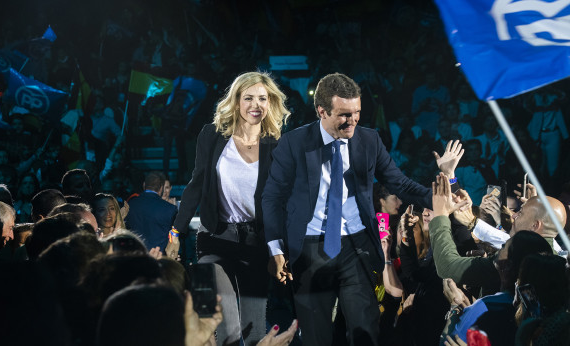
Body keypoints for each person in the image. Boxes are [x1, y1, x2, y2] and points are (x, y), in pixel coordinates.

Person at [262, 73, 459, 345]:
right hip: (309, 248)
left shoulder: (369, 140)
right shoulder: (294, 143)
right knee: (317, 338)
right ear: (322, 111)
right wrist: (275, 248)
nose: (353, 120)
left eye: (357, 112)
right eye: (344, 114)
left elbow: (399, 183)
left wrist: (441, 197)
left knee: (364, 333)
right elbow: (271, 197)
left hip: (357, 247)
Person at [168, 71, 290, 345]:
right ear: (236, 102)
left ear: (270, 103)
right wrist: (176, 231)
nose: (255, 105)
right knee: (225, 323)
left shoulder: (278, 146)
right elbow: (195, 186)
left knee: (254, 330)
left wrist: (278, 251)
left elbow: (279, 204)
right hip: (215, 239)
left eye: (262, 98)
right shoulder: (212, 135)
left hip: (255, 244)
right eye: (248, 98)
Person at [124, 171, 177, 252]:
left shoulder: (129, 205)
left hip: (135, 257)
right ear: (161, 188)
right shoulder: (170, 209)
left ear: (144, 185)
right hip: (158, 259)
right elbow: (176, 236)